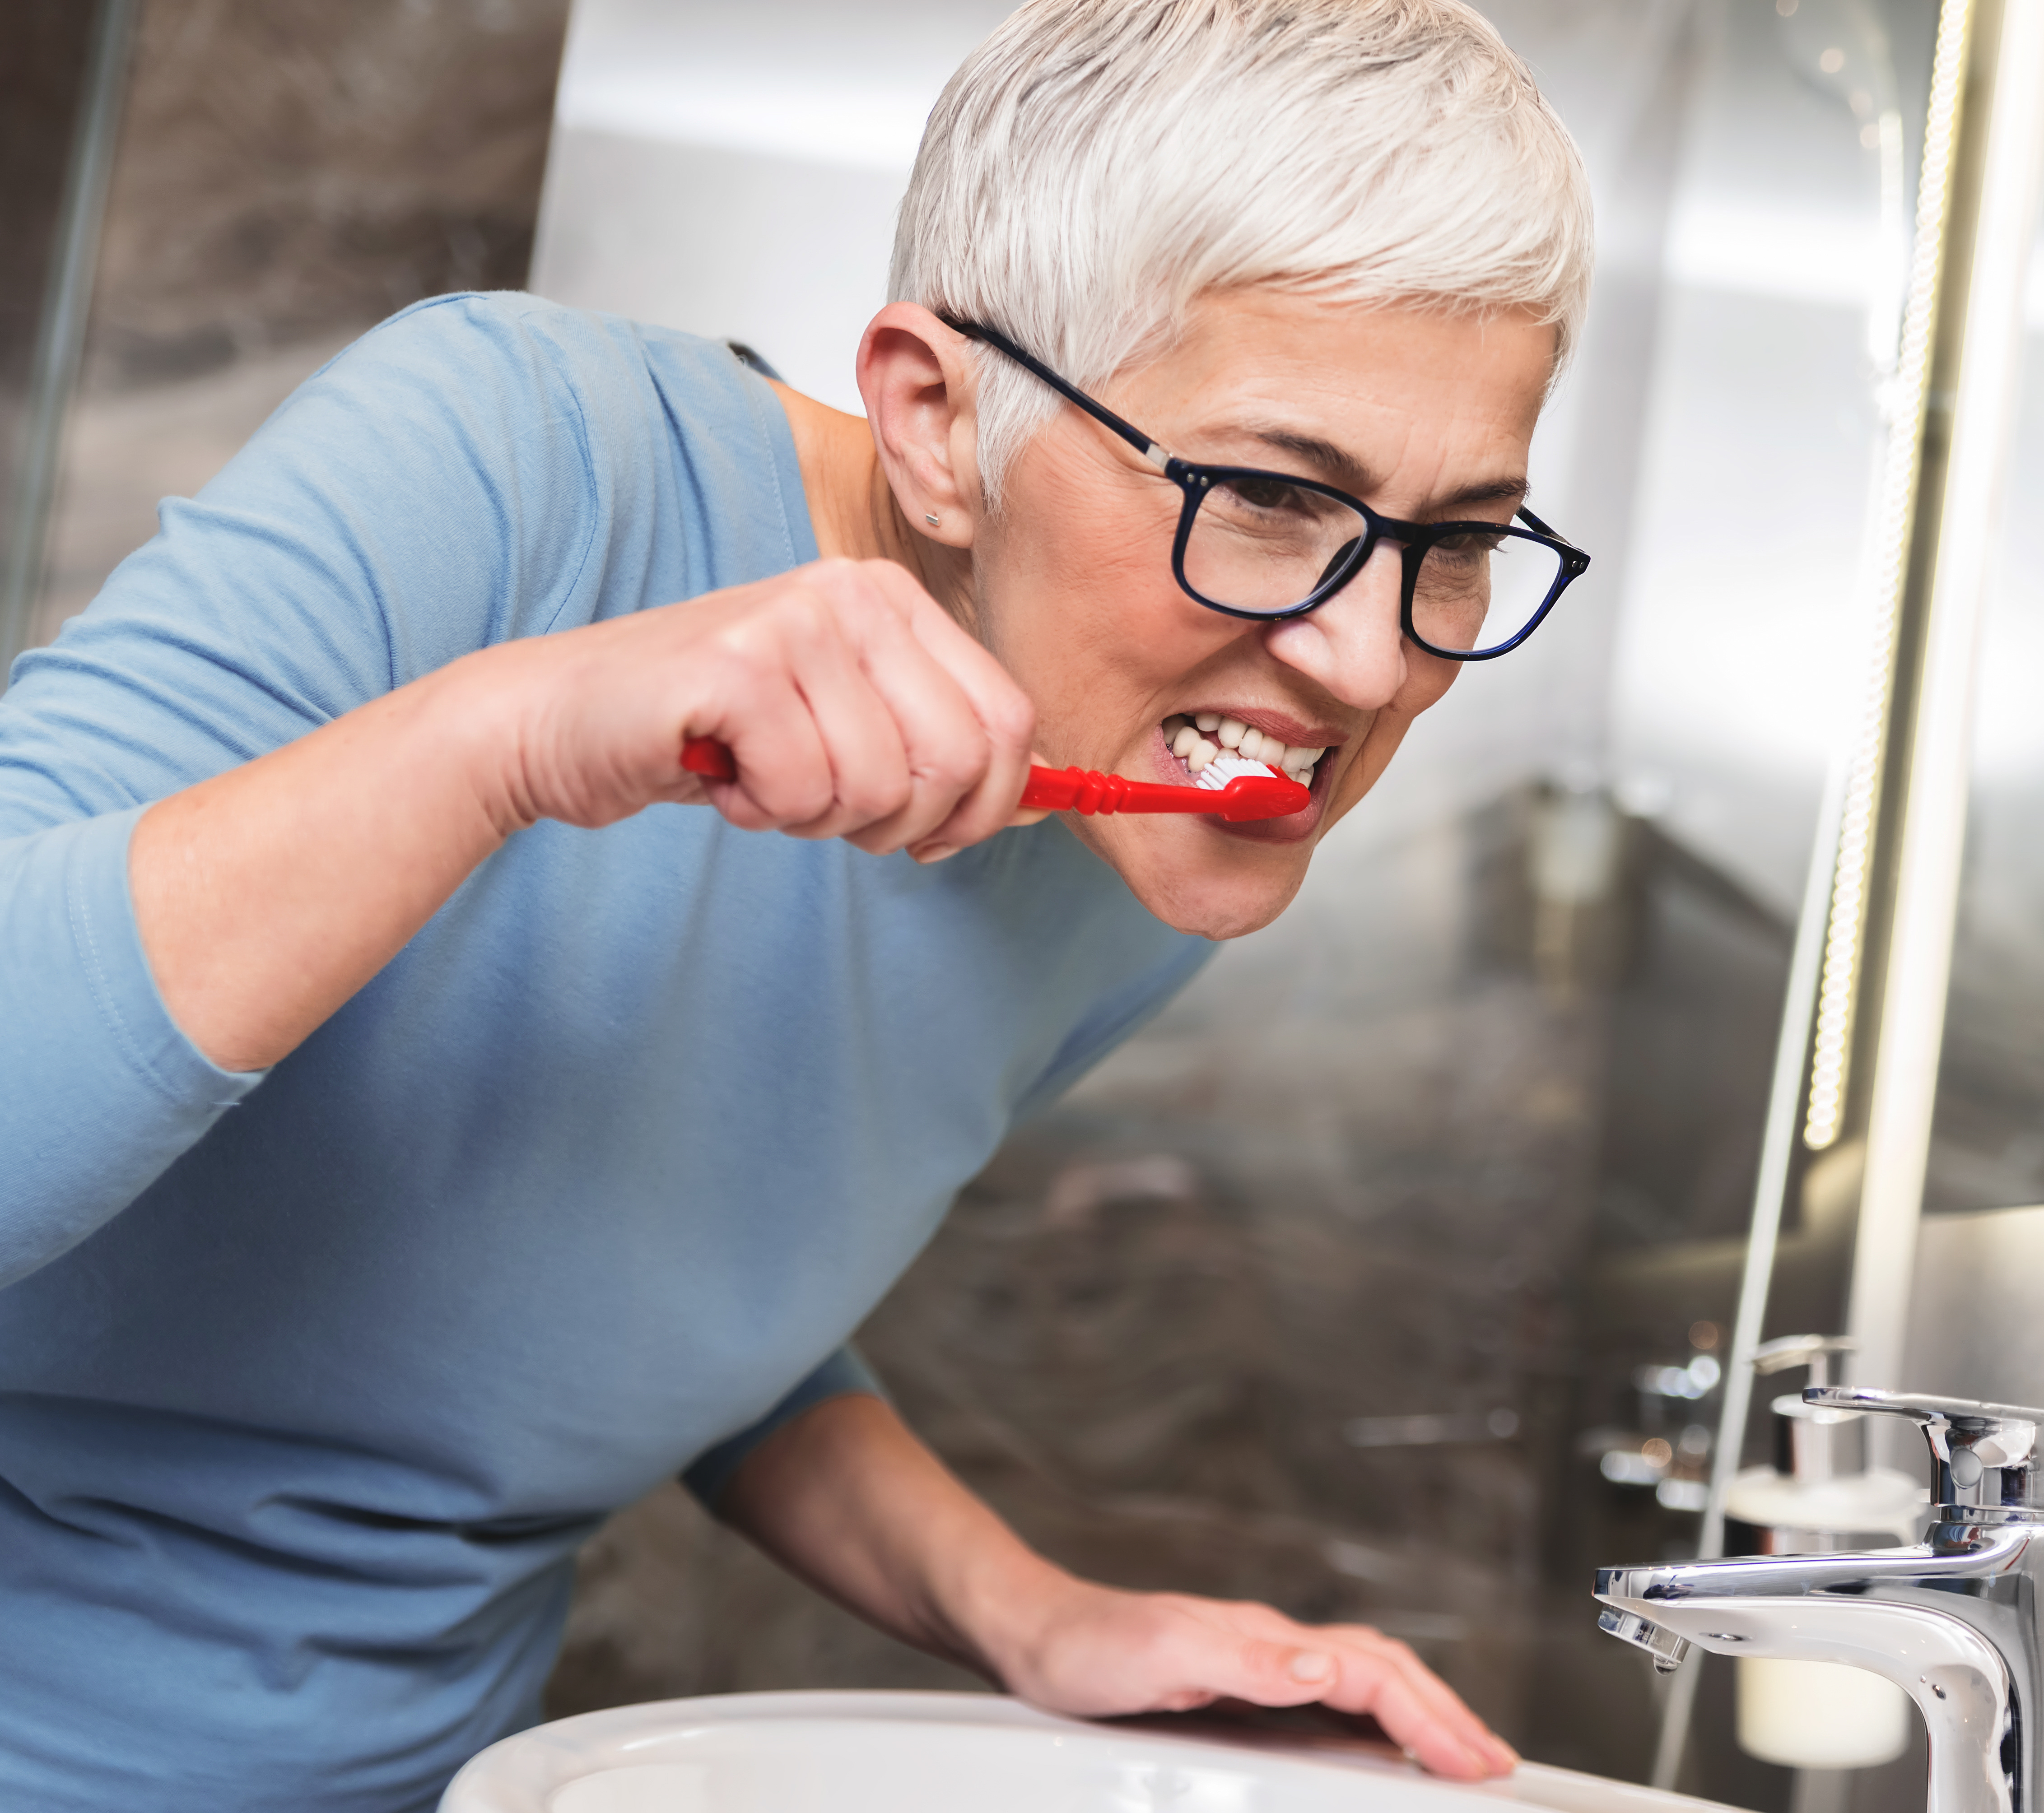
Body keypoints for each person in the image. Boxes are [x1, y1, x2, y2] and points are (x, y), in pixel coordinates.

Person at [0, 2, 1596, 1807]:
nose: (1371, 659)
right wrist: (504, 739)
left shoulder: (1145, 849)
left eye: (1452, 540)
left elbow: (649, 1255)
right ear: (934, 418)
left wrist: (1026, 1609)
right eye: (1265, 497)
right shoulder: (520, 460)